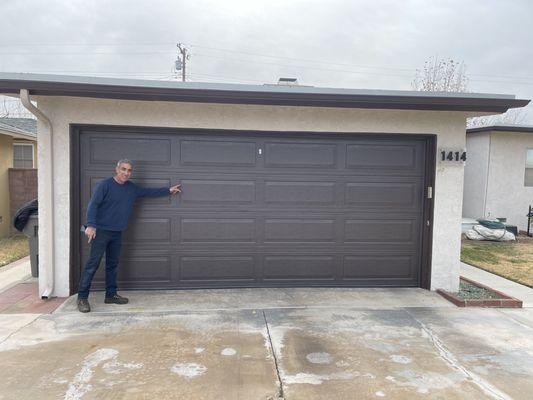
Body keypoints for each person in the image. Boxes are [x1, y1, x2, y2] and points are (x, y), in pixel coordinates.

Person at [77, 159, 181, 313]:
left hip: (117, 232)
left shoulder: (131, 188)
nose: (126, 173)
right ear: (117, 169)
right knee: (93, 264)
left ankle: (111, 295)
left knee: (112, 265)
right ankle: (82, 298)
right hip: (101, 232)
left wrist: (168, 190)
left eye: (129, 170)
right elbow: (93, 205)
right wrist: (91, 225)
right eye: (123, 169)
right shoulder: (104, 185)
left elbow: (148, 192)